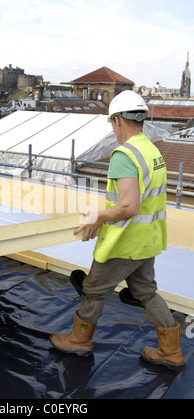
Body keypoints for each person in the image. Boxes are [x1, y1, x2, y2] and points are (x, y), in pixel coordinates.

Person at [50, 90, 186, 371]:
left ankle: (79, 341)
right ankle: (171, 352)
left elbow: (128, 206)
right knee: (147, 292)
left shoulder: (124, 155)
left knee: (92, 290)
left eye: (112, 121)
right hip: (146, 240)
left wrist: (97, 216)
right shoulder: (152, 150)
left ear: (118, 120)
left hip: (123, 243)